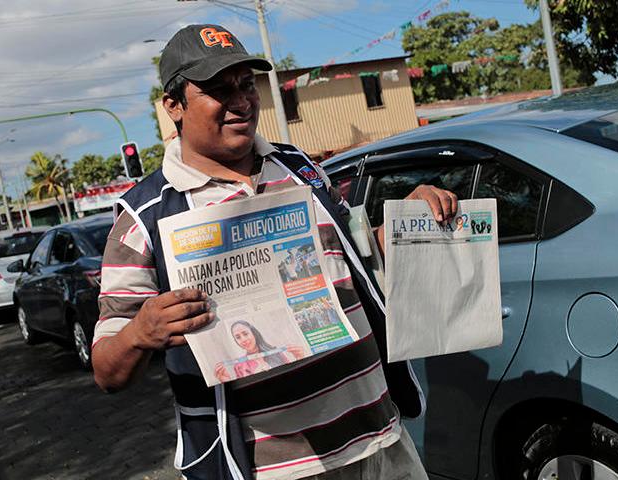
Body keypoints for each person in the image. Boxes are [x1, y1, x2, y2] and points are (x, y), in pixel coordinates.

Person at [92, 23, 458, 480]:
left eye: (246, 85)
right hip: (274, 470)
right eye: (218, 90)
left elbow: (356, 258)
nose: (241, 101)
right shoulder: (144, 217)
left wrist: (411, 218)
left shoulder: (299, 167)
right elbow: (107, 370)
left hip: (378, 437)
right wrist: (141, 331)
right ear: (174, 106)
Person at [214, 320, 304, 382]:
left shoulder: (276, 352)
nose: (243, 339)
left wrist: (300, 359)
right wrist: (227, 382)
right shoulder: (239, 366)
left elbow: (294, 376)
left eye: (245, 334)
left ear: (254, 333)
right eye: (238, 337)